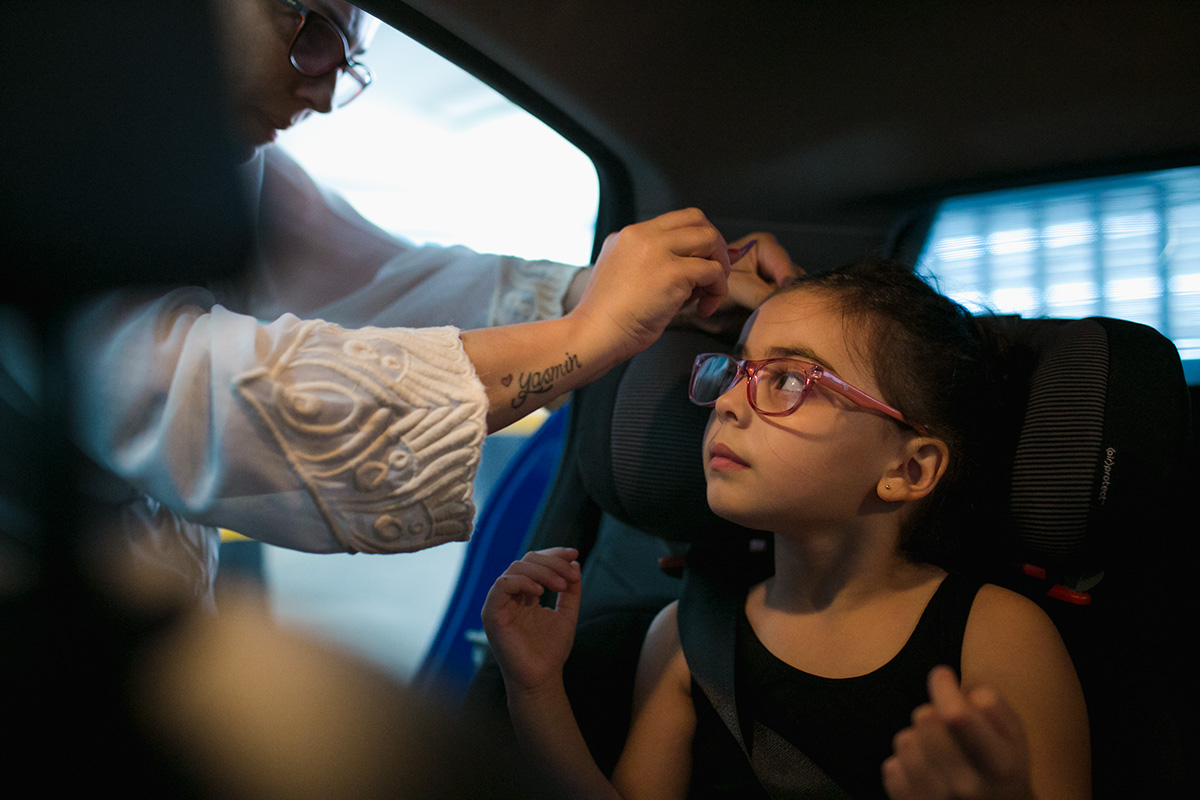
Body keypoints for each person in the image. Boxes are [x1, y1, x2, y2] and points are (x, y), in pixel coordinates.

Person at [44, 0, 798, 607]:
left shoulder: (228, 166)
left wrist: (640, 295)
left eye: (346, 65)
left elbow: (392, 285)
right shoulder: (46, 149)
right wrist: (588, 332)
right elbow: (200, 398)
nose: (325, 95)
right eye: (315, 36)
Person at [481, 258, 1092, 798]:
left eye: (792, 380)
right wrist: (535, 690)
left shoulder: (999, 634)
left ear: (908, 469)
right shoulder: (688, 633)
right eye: (736, 371)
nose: (727, 402)